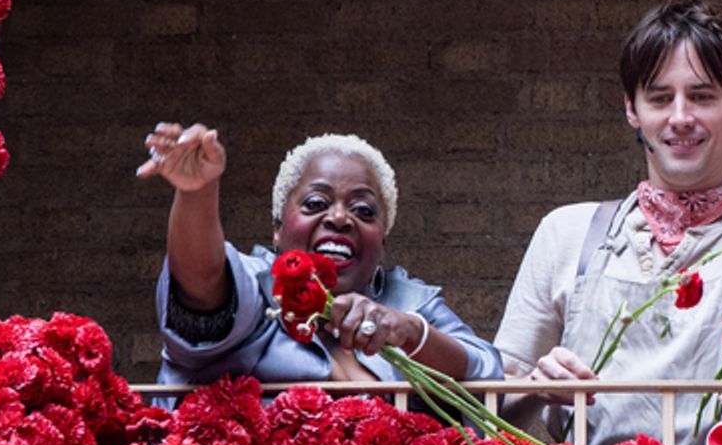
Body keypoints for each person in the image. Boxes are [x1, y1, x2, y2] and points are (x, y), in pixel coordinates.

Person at [493, 0, 722, 445]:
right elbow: (488, 413)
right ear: (632, 110)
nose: (680, 117)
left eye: (701, 96)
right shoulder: (566, 235)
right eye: (659, 98)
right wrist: (536, 389)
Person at [140, 123, 503, 394]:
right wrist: (197, 193)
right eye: (316, 203)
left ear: (383, 239)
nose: (340, 218)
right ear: (278, 229)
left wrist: (409, 331)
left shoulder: (410, 302)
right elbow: (201, 282)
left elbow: (485, 373)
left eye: (363, 209)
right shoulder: (252, 286)